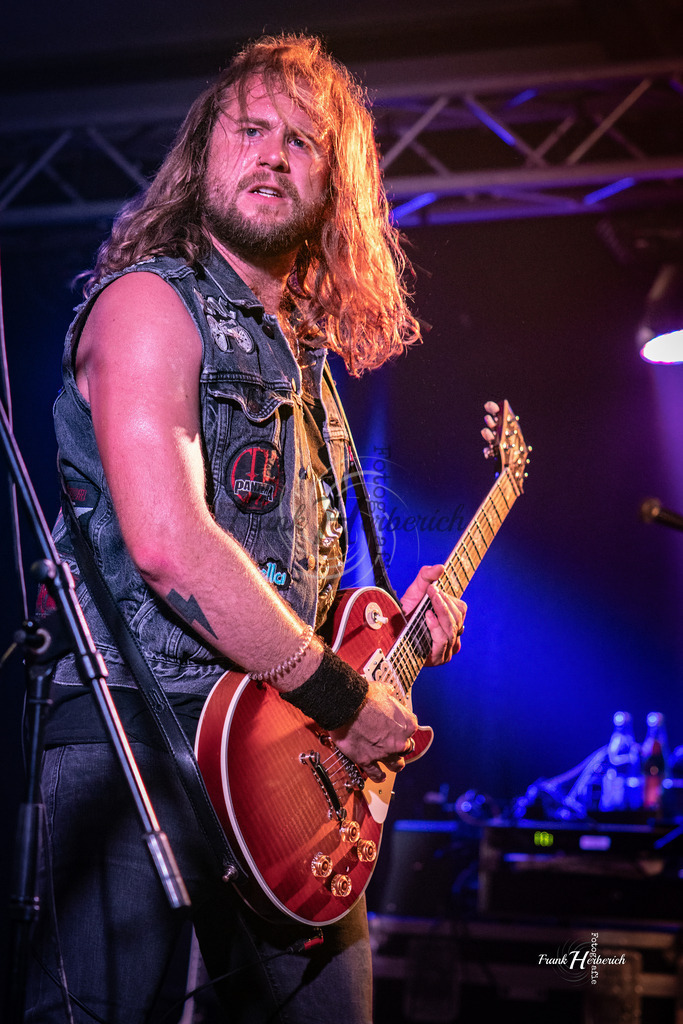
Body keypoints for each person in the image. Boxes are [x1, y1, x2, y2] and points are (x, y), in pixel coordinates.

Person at [25, 33, 471, 1024]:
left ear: (333, 186)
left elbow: (304, 599)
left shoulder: (305, 360)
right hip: (133, 746)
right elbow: (168, 541)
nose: (273, 153)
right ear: (203, 151)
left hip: (280, 767)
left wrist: (390, 635)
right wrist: (337, 688)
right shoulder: (149, 303)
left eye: (303, 142)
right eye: (251, 128)